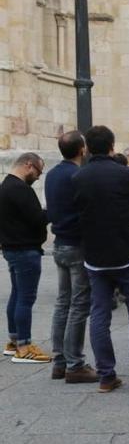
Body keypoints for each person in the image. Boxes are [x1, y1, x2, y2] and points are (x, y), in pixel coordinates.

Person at [71, 126, 129, 393]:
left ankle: (106, 376)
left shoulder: (78, 177)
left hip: (95, 256)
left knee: (99, 314)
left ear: (87, 148)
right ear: (112, 147)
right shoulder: (127, 175)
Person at [45, 132, 99, 381]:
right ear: (82, 150)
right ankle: (75, 364)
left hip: (60, 244)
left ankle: (60, 360)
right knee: (78, 305)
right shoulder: (76, 176)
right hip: (77, 245)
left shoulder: (54, 174)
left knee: (62, 303)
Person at [0, 152, 50, 363]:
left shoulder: (5, 186)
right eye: (38, 171)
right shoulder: (20, 189)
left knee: (17, 294)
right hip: (25, 250)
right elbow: (37, 219)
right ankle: (24, 346)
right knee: (25, 298)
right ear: (29, 165)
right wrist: (52, 211)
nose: (38, 177)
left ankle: (14, 340)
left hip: (12, 248)